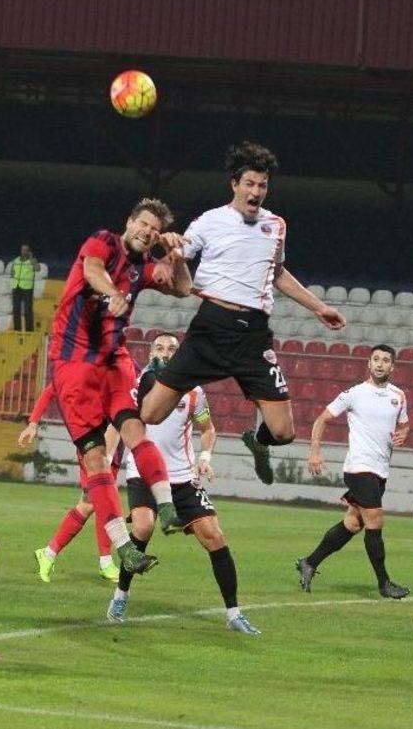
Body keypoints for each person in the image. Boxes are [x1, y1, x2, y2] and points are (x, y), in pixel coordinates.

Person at [140, 141, 346, 485]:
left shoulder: (275, 225)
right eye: (249, 183)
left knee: (283, 432)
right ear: (234, 184)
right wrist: (170, 251)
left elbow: (277, 272)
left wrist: (319, 307)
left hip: (252, 335)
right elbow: (178, 259)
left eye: (262, 185)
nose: (256, 191)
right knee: (150, 413)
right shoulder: (210, 221)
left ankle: (257, 441)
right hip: (210, 328)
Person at [49, 198, 192, 575]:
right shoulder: (104, 241)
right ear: (129, 222)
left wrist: (175, 254)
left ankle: (166, 507)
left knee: (134, 428)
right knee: (96, 460)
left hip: (112, 360)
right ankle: (123, 547)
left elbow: (182, 289)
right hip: (73, 363)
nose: (146, 231)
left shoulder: (143, 267)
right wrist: (112, 292)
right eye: (143, 224)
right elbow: (92, 269)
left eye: (153, 229)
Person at [106, 333, 260, 634]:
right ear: (151, 353)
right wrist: (109, 459)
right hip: (144, 472)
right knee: (143, 527)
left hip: (182, 477)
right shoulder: (138, 388)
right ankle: (121, 595)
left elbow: (207, 428)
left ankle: (234, 614)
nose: (165, 353)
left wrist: (204, 456)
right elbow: (118, 424)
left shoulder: (194, 393)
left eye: (172, 349)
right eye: (160, 348)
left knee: (214, 536)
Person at [296, 344, 411, 599]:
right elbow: (321, 419)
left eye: (385, 360)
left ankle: (309, 562)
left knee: (353, 523)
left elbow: (404, 426)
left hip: (380, 470)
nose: (380, 364)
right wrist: (314, 451)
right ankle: (384, 584)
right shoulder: (354, 394)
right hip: (360, 467)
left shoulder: (398, 396)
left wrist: (402, 436)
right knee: (375, 521)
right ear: (368, 364)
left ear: (393, 367)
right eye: (376, 359)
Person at [17, 382, 121, 583]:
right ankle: (106, 562)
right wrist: (33, 423)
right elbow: (50, 391)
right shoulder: (80, 367)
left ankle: (48, 553)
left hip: (114, 443)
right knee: (103, 499)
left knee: (90, 503)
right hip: (92, 443)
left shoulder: (123, 366)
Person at [11, 243, 40, 331]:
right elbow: (12, 271)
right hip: (16, 287)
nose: (24, 252)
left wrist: (31, 258)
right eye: (23, 250)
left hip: (27, 288)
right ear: (21, 251)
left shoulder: (32, 260)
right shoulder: (16, 260)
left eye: (26, 250)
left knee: (27, 311)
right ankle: (17, 329)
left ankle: (29, 331)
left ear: (29, 251)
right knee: (16, 310)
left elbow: (37, 268)